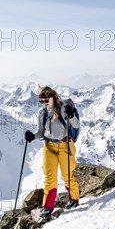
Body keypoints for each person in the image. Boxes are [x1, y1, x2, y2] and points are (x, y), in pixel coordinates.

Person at [25, 86, 80, 220]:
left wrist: (71, 114)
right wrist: (33, 136)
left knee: (68, 175)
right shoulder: (42, 113)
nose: (44, 103)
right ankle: (47, 207)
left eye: (46, 100)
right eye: (41, 101)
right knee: (49, 177)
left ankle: (74, 198)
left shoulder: (64, 108)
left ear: (53, 96)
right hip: (49, 146)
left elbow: (76, 125)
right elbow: (40, 132)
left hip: (65, 145)